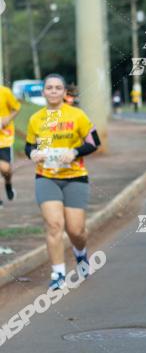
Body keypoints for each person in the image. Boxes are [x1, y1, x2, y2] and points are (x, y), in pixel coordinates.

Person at [25, 74, 100, 290]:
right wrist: (33, 154)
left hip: (75, 177)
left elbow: (95, 142)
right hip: (46, 177)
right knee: (54, 225)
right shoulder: (36, 119)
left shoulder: (77, 115)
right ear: (44, 92)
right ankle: (58, 273)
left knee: (76, 230)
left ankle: (81, 253)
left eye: (58, 87)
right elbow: (30, 145)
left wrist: (75, 151)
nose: (54, 91)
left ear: (64, 92)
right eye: (50, 88)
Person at [0, 83, 21, 205]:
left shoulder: (4, 91)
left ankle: (8, 183)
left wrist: (8, 118)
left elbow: (16, 108)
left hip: (4, 137)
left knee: (5, 169)